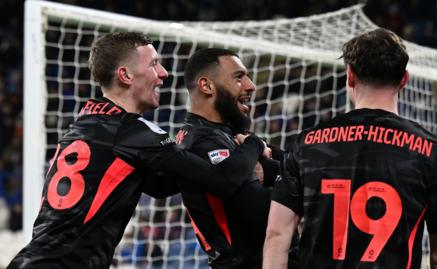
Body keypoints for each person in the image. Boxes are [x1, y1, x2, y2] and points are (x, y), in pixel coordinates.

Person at [7, 32, 268, 269]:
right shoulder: (133, 132)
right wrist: (253, 145)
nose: (164, 73)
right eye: (154, 64)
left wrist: (202, 148)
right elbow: (224, 180)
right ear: (126, 75)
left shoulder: (86, 121)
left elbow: (160, 186)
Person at [263, 28, 437, 269]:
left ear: (350, 76)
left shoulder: (307, 144)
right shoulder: (432, 151)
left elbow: (277, 236)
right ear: (404, 80)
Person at [176, 48, 294, 269]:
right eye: (239, 77)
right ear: (207, 86)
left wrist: (270, 170)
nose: (250, 85)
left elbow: (292, 164)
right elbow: (261, 209)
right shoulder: (200, 141)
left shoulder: (228, 133)